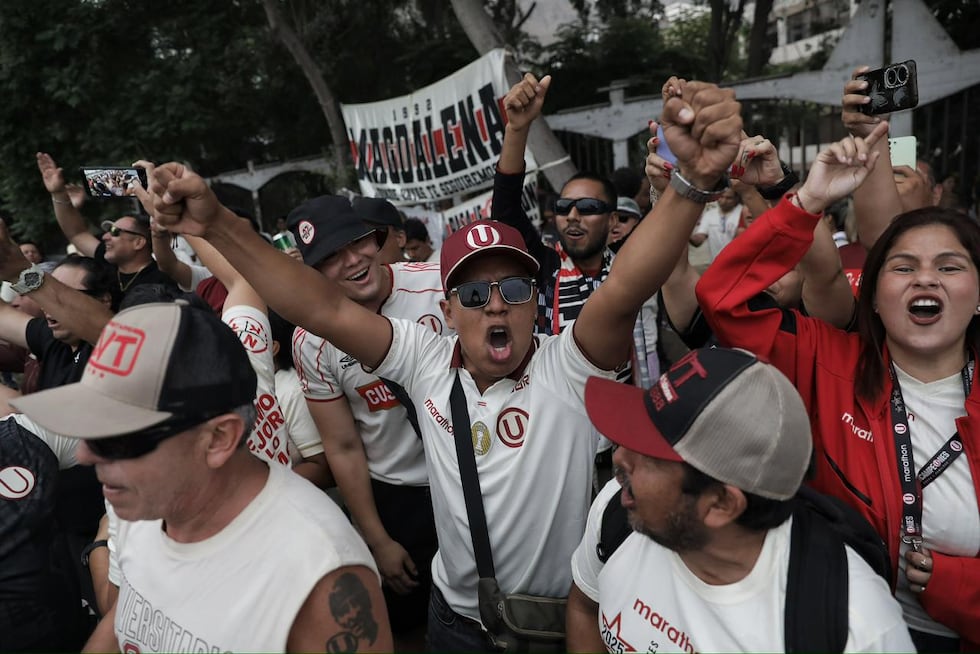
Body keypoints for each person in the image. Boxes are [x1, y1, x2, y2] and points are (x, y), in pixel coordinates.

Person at [144, 79, 742, 652]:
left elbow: (625, 287)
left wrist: (691, 183)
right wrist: (217, 224)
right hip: (454, 620)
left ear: (537, 302)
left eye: (513, 288)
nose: (497, 305)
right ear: (447, 311)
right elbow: (321, 307)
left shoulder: (571, 365)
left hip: (563, 619)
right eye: (476, 297)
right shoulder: (425, 359)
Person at [696, 120, 980, 651]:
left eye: (949, 266)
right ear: (872, 296)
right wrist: (804, 200)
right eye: (902, 266)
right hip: (836, 628)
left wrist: (958, 588)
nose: (925, 279)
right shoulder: (828, 362)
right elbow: (723, 298)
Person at [10, 302, 392, 652]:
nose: (84, 453)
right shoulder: (143, 504)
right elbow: (129, 614)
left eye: (120, 438)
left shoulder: (316, 575)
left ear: (218, 439)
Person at [567, 348, 915, 652]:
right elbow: (585, 606)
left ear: (721, 504)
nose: (619, 459)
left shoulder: (857, 628)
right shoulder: (621, 508)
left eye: (653, 459)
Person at [287, 195, 442, 648]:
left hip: (480, 475)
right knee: (411, 626)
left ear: (376, 240)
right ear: (312, 271)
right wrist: (376, 538)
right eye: (330, 258)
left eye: (356, 243)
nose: (351, 262)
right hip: (400, 500)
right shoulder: (310, 340)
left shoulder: (437, 284)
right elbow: (343, 446)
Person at [35, 153, 177, 306]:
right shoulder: (106, 265)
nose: (105, 237)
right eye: (108, 230)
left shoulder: (162, 278)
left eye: (115, 232)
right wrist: (58, 193)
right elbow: (77, 234)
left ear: (139, 242)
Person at [690, 187, 741, 262]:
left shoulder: (743, 213)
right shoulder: (710, 214)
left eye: (728, 198)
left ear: (736, 198)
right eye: (721, 197)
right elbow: (699, 240)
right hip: (717, 263)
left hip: (738, 263)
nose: (724, 201)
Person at [353, 196, 407, 265]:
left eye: (374, 239)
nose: (365, 251)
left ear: (400, 238)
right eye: (357, 242)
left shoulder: (423, 274)